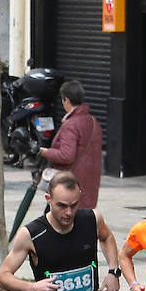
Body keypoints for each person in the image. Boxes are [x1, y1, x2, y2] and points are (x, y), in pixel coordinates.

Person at [40, 80, 102, 210]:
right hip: (88, 185)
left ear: (66, 100)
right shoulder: (93, 121)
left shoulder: (71, 124)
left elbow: (67, 155)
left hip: (69, 186)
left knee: (54, 224)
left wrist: (44, 152)